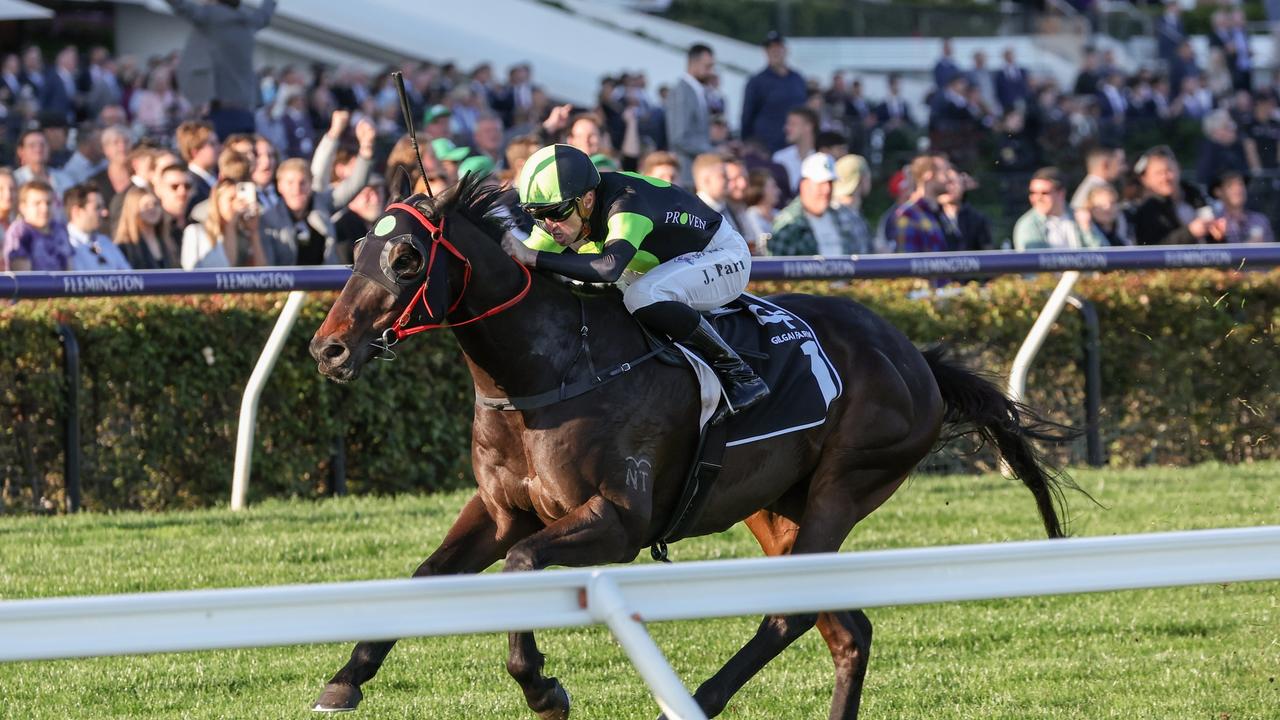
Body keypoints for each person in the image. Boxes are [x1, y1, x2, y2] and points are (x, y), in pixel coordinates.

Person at [502, 143, 768, 420]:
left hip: (721, 254)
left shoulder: (626, 204)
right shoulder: (562, 215)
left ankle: (739, 373)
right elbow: (520, 264)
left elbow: (609, 268)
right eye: (537, 215)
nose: (548, 224)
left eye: (556, 213)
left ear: (588, 200)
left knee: (642, 295)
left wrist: (532, 257)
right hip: (665, 264)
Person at [260, 118, 375, 265]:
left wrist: (367, 147)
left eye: (303, 183)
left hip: (324, 284)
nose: (297, 189)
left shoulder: (322, 203)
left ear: (311, 184)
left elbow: (355, 184)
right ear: (279, 186)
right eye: (290, 183)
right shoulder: (268, 219)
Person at [167, 0, 276, 139]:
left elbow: (181, 5)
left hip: (220, 113)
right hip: (246, 112)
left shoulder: (211, 16)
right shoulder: (249, 20)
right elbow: (265, 15)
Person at [769, 152, 869, 256]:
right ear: (804, 184)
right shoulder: (788, 224)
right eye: (821, 183)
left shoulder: (845, 217)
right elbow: (777, 267)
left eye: (830, 183)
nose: (827, 189)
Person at [1133, 146, 1221, 245]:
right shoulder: (1146, 211)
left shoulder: (1195, 195)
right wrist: (1190, 232)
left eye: (1168, 170)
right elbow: (1151, 250)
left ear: (1178, 168)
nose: (1165, 177)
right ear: (1146, 179)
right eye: (1158, 173)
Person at [741, 31, 807, 153]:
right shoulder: (757, 82)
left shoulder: (798, 79)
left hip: (795, 147)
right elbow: (747, 117)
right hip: (767, 149)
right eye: (770, 48)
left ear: (785, 49)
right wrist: (747, 143)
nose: (775, 51)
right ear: (765, 52)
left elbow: (806, 111)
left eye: (778, 47)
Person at [181, 178, 266, 268]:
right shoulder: (195, 232)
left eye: (240, 199)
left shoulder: (243, 235)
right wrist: (230, 226)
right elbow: (225, 267)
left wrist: (253, 231)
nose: (237, 204)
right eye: (231, 199)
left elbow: (261, 270)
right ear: (217, 202)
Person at [666, 43, 716, 187]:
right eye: (707, 66)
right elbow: (679, 137)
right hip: (686, 173)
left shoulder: (698, 91)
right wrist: (712, 151)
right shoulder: (682, 92)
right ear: (692, 63)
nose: (710, 71)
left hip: (696, 173)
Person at [1013, 168, 1090, 250]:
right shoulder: (1028, 224)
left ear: (1061, 193)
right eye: (1033, 193)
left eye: (1044, 193)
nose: (1037, 198)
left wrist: (1088, 231)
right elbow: (1035, 259)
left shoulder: (1079, 216)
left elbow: (1102, 253)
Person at [2, 180, 72, 271]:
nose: (45, 209)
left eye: (48, 203)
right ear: (23, 207)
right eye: (37, 203)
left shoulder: (59, 229)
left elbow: (70, 272)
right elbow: (23, 279)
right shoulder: (19, 232)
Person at [64, 183, 131, 270]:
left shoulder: (105, 242)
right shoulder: (65, 246)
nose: (104, 212)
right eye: (97, 208)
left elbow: (129, 276)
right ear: (76, 211)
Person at [113, 186, 178, 269]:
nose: (152, 209)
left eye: (155, 204)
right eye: (146, 205)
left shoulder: (169, 243)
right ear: (134, 209)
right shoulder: (124, 247)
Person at [1212, 171, 1274, 243]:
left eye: (1241, 184)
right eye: (1230, 186)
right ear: (1218, 192)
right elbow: (1212, 252)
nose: (1238, 189)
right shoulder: (1213, 222)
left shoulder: (1260, 220)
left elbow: (1273, 251)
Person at [741, 168, 779, 255]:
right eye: (773, 186)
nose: (777, 191)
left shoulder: (779, 214)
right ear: (760, 189)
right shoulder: (750, 215)